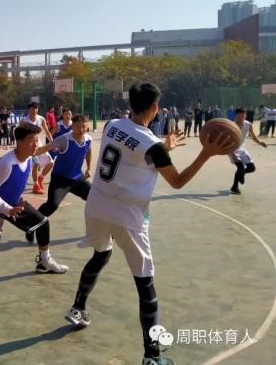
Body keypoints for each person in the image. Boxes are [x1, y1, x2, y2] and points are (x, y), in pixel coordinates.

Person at [64, 82, 235, 365]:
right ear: (156, 108)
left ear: (130, 104)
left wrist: (163, 147)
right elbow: (177, 181)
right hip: (127, 218)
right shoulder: (153, 146)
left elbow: (134, 151)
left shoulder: (112, 125)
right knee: (145, 285)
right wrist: (205, 154)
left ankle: (77, 307)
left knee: (101, 254)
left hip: (96, 207)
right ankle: (152, 356)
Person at [0, 122, 68, 306]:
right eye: (32, 140)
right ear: (19, 142)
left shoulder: (30, 156)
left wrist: (59, 147)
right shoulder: (5, 164)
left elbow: (48, 161)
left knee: (43, 223)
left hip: (14, 201)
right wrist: (7, 210)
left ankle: (44, 262)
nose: (36, 144)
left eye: (37, 140)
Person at [26, 114, 92, 243]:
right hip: (60, 180)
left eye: (83, 127)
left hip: (77, 178)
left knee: (95, 199)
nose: (81, 129)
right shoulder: (64, 140)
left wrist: (88, 168)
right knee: (52, 205)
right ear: (72, 127)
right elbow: (44, 148)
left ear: (87, 126)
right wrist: (27, 152)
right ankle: (31, 225)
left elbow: (88, 151)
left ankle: (101, 230)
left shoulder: (88, 139)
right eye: (77, 126)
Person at [229, 107, 267, 195]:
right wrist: (233, 155)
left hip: (241, 148)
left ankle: (241, 174)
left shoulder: (248, 124)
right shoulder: (231, 126)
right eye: (239, 116)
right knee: (240, 167)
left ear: (245, 116)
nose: (241, 118)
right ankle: (235, 187)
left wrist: (260, 143)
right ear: (235, 116)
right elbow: (227, 142)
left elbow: (253, 136)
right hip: (231, 149)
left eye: (243, 116)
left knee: (251, 168)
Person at [25, 102, 54, 194]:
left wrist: (52, 143)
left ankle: (41, 178)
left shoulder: (41, 119)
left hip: (40, 146)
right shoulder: (24, 121)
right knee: (36, 164)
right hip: (30, 147)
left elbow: (47, 131)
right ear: (29, 110)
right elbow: (20, 135)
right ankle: (36, 185)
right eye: (32, 109)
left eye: (36, 109)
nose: (34, 111)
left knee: (51, 162)